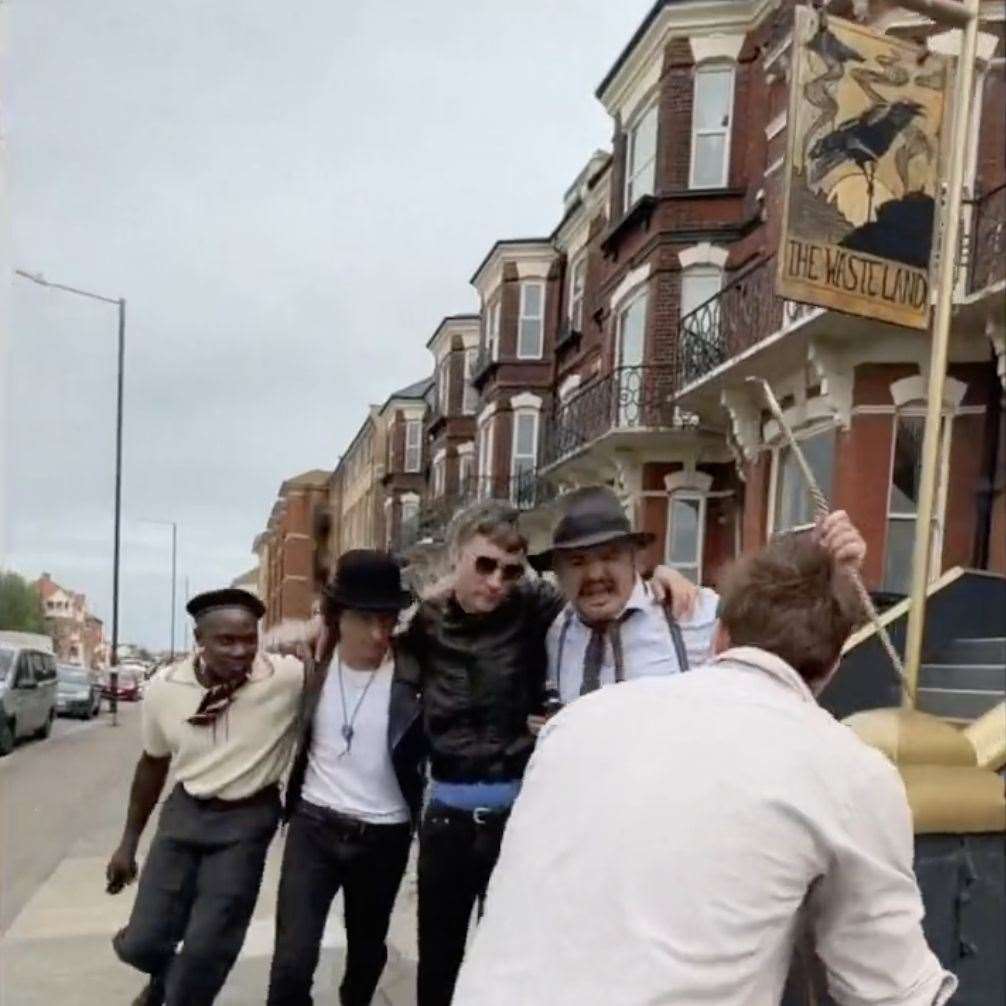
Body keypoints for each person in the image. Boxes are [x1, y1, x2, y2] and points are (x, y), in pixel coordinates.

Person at [452, 524, 957, 1005]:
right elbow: (890, 988)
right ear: (833, 665)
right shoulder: (853, 772)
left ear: (719, 635)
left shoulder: (578, 722)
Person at [401, 500, 694, 1006]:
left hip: (517, 823)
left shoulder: (535, 610)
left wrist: (660, 574)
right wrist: (324, 626)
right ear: (457, 558)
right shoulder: (423, 624)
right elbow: (365, 639)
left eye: (510, 570)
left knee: (515, 970)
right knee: (439, 970)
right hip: (446, 822)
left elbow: (601, 591)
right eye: (484, 565)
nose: (496, 581)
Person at [107, 588, 304, 1006]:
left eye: (249, 638)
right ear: (199, 639)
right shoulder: (164, 689)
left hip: (246, 820)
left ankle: (177, 993)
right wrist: (128, 844)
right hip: (185, 813)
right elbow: (152, 764)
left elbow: (330, 656)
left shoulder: (285, 678)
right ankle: (160, 978)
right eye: (226, 641)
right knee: (143, 941)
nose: (241, 651)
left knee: (206, 951)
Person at [266, 550, 426, 1006]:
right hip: (314, 828)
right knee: (291, 963)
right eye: (367, 619)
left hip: (385, 835)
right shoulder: (308, 665)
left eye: (389, 619)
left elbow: (462, 600)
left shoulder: (415, 670)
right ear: (338, 616)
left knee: (365, 957)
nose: (380, 633)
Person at [530, 485, 719, 718]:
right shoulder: (557, 633)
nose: (595, 574)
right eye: (577, 562)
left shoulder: (693, 613)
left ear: (634, 560)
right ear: (558, 573)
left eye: (609, 557)